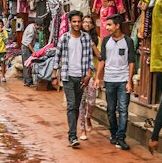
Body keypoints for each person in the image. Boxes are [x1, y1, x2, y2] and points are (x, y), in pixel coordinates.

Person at [53, 10, 93, 148]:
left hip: (82, 77)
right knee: (71, 105)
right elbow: (57, 56)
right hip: (68, 76)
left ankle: (73, 132)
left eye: (78, 21)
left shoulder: (86, 38)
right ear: (69, 23)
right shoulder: (64, 38)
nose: (76, 24)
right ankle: (72, 136)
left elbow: (90, 58)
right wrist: (54, 74)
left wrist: (89, 74)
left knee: (76, 106)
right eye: (74, 21)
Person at [97, 13, 136, 149]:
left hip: (123, 80)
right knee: (111, 109)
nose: (107, 27)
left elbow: (131, 62)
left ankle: (121, 137)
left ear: (117, 26)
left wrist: (129, 81)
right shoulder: (106, 41)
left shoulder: (128, 41)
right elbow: (102, 60)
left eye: (109, 25)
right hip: (109, 80)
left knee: (123, 109)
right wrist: (98, 77)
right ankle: (113, 133)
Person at [77, 13, 101, 140]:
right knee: (81, 102)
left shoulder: (96, 39)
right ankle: (82, 130)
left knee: (91, 101)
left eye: (89, 22)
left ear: (92, 25)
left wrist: (92, 43)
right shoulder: (77, 37)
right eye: (84, 22)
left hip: (91, 74)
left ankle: (88, 117)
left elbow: (100, 56)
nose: (87, 24)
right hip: (79, 73)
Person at [21, 16, 37, 87]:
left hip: (26, 47)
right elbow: (28, 43)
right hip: (26, 48)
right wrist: (34, 52)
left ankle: (27, 80)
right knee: (27, 64)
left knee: (26, 64)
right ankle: (28, 81)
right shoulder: (31, 30)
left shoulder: (31, 26)